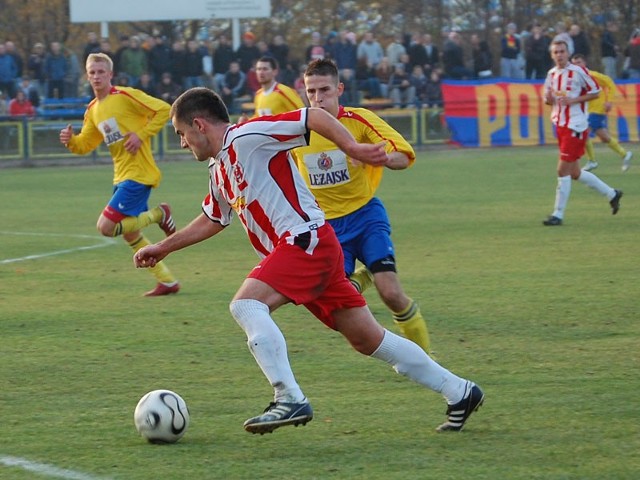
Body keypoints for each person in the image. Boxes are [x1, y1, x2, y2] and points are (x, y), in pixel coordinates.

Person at [134, 86, 484, 434]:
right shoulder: (218, 167)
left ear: (199, 124)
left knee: (246, 305)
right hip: (311, 249)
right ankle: (460, 391)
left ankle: (288, 397)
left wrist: (351, 147)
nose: (182, 143)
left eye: (181, 134)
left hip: (304, 240)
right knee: (368, 339)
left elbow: (313, 116)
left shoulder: (248, 136)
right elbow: (214, 218)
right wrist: (164, 248)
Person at [292, 58, 431, 353]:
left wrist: (377, 158)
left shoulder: (359, 119)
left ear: (339, 89)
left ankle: (426, 359)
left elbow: (403, 156)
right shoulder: (295, 130)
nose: (318, 98)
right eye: (312, 91)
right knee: (336, 307)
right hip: (326, 227)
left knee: (391, 294)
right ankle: (366, 277)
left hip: (365, 217)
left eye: (325, 90)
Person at [58, 53, 180, 296]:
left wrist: (141, 134)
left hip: (139, 174)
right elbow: (85, 144)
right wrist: (70, 141)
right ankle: (167, 281)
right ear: (87, 75)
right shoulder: (93, 109)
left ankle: (159, 214)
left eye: (101, 71)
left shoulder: (125, 96)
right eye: (92, 72)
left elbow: (164, 109)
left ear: (110, 74)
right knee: (130, 233)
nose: (96, 76)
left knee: (106, 226)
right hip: (121, 176)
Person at [542, 41, 623, 226]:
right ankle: (612, 194)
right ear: (552, 55)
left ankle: (558, 215)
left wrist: (575, 100)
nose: (559, 55)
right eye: (556, 52)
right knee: (575, 172)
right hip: (560, 125)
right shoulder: (551, 74)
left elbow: (595, 92)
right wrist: (549, 99)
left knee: (562, 170)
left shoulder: (578, 72)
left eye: (562, 51)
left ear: (567, 53)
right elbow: (549, 100)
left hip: (575, 126)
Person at [571, 54, 632, 173]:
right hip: (587, 110)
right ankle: (624, 154)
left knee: (584, 131)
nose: (576, 66)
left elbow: (610, 83)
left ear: (584, 63)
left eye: (579, 62)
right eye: (574, 64)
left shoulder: (592, 75)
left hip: (597, 109)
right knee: (603, 136)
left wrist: (609, 101)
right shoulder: (576, 79)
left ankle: (592, 161)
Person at [239, 56, 304, 122]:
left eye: (265, 69)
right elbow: (259, 117)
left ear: (275, 72)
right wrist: (246, 121)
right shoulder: (258, 94)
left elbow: (303, 115)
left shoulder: (283, 91)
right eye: (258, 69)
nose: (261, 72)